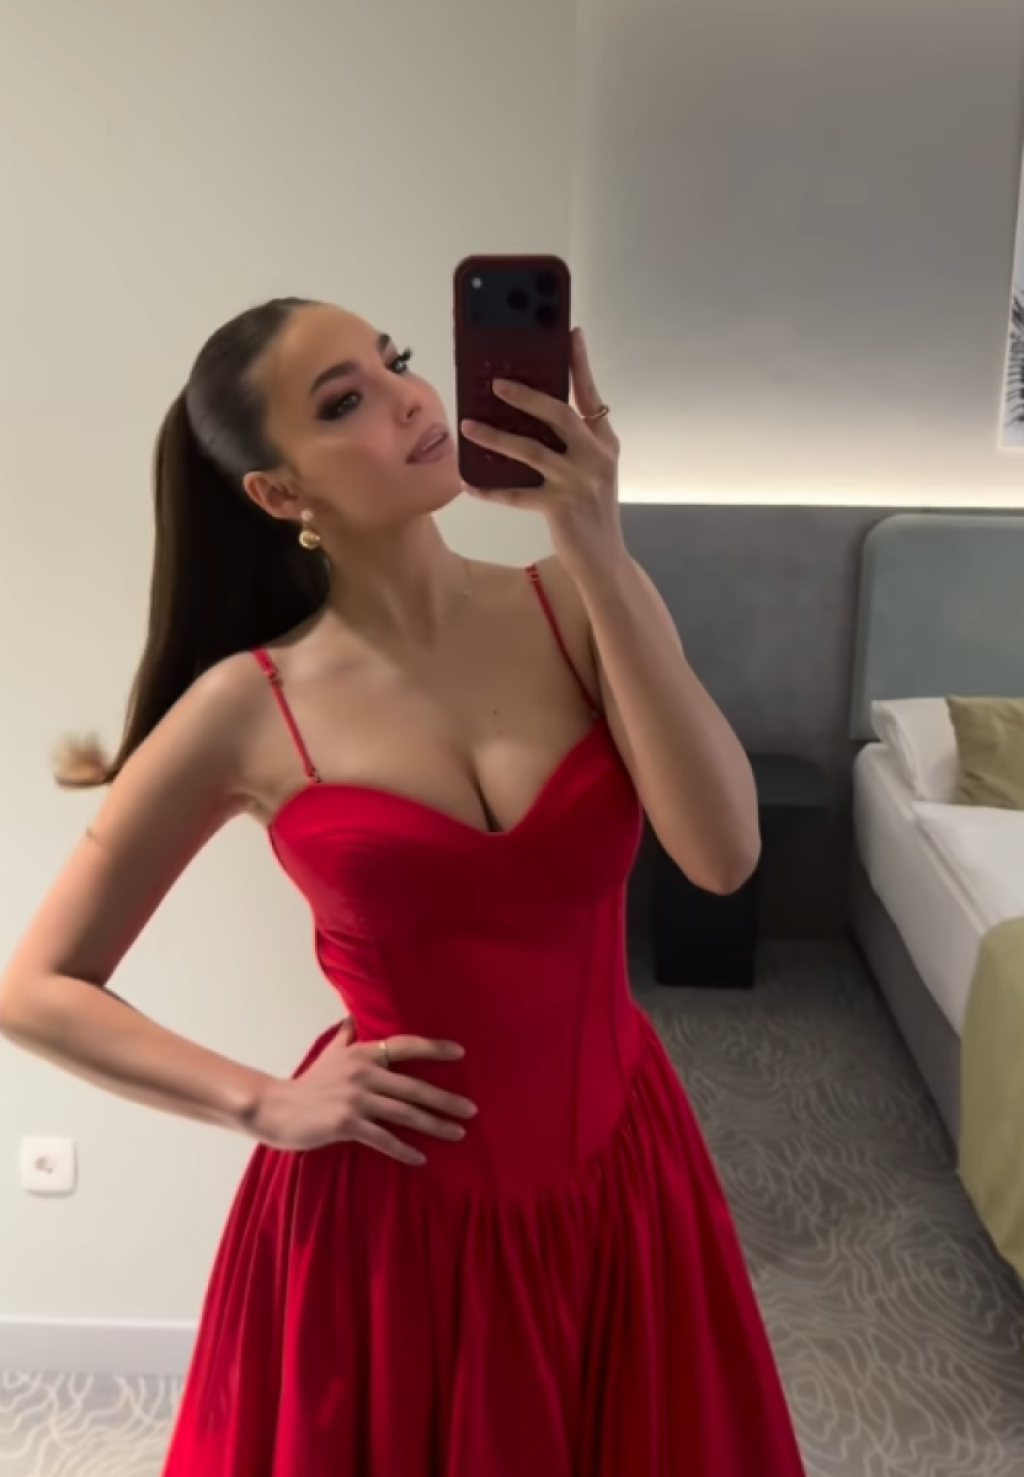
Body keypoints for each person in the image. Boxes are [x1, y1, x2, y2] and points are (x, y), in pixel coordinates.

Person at [0, 296, 806, 1476]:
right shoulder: (245, 705)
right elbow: (36, 987)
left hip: (618, 1162)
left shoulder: (576, 604)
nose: (411, 400)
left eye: (397, 363)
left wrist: (599, 546)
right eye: (345, 402)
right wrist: (263, 1104)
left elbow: (723, 856)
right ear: (279, 493)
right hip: (391, 1220)